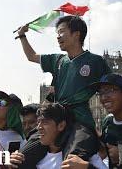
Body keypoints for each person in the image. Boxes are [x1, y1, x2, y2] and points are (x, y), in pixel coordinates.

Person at [17, 15, 111, 166]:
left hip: (80, 120)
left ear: (76, 34)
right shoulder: (58, 60)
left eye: (61, 32)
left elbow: (112, 84)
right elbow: (31, 56)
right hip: (55, 118)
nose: (57, 37)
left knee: (72, 162)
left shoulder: (95, 61)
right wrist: (22, 36)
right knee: (19, 159)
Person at [9, 103, 107, 169]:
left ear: (61, 126)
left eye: (45, 122)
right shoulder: (33, 156)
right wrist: (12, 162)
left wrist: (86, 167)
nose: (39, 127)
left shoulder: (80, 158)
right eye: (39, 122)